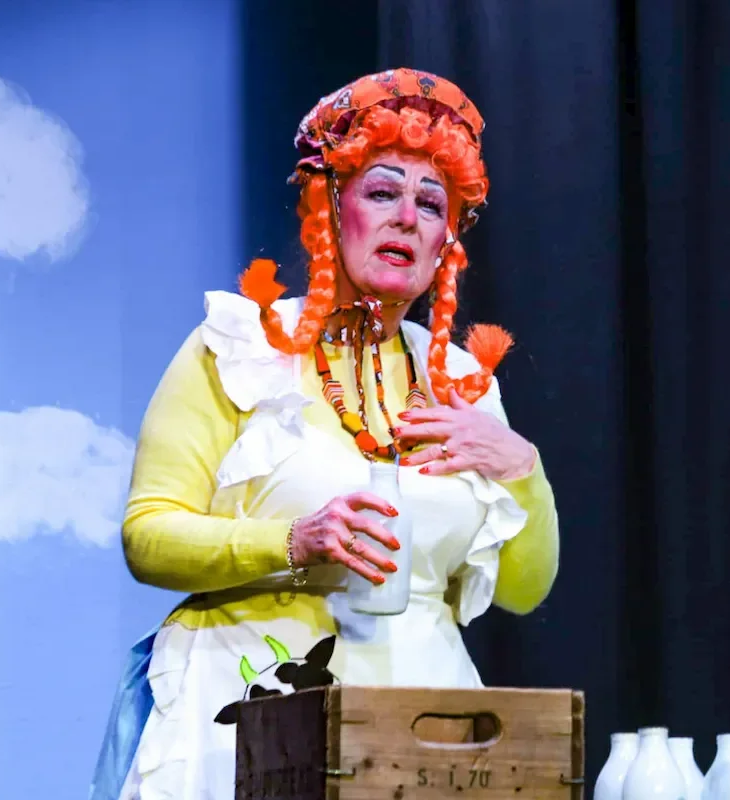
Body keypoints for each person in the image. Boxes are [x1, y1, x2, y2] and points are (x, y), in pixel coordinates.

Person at [88, 68, 560, 799]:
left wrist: (525, 470)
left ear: (445, 245)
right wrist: (295, 541)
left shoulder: (463, 383)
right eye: (382, 191)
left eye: (431, 203)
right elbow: (146, 536)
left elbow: (525, 590)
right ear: (330, 209)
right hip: (253, 711)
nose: (408, 216)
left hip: (422, 728)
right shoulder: (241, 346)